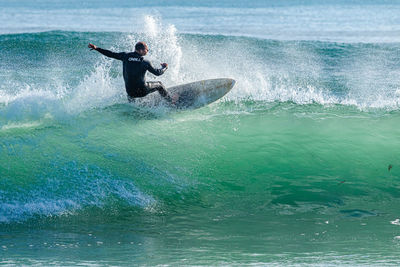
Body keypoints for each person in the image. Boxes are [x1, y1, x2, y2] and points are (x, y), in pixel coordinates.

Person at [88, 41, 173, 102]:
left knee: (132, 87)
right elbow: (158, 73)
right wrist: (164, 67)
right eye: (146, 49)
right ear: (140, 50)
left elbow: (111, 54)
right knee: (159, 84)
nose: (147, 51)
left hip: (130, 93)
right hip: (142, 91)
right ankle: (170, 101)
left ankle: (132, 108)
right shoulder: (144, 61)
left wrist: (97, 48)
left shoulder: (125, 56)